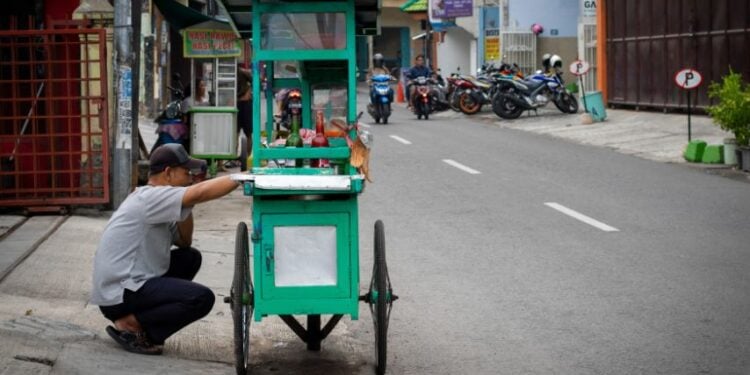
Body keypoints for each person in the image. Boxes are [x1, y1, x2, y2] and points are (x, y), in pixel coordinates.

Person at [90, 143, 241, 355]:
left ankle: (140, 320)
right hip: (119, 293)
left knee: (190, 257)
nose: (190, 177)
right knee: (201, 298)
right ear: (168, 173)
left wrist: (187, 202)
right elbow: (200, 193)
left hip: (127, 286)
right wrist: (244, 176)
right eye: (186, 172)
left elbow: (184, 241)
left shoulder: (160, 201)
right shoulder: (150, 197)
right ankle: (133, 325)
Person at [235, 65, 253, 170]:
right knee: (234, 133)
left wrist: (248, 92)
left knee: (248, 133)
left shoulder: (242, 72)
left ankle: (248, 157)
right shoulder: (228, 72)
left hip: (245, 104)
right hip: (235, 104)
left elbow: (256, 80)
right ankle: (234, 157)